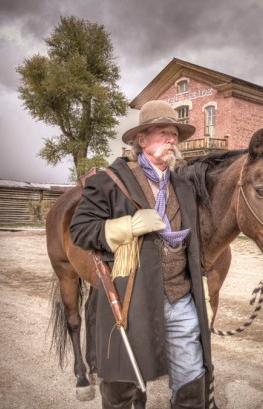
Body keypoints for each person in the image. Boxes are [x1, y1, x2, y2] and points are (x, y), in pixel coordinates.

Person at [70, 100, 215, 409]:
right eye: (164, 132)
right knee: (124, 383)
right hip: (131, 299)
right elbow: (80, 230)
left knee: (191, 379)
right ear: (142, 139)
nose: (172, 140)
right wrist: (129, 226)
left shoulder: (184, 187)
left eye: (175, 134)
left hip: (180, 298)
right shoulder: (110, 183)